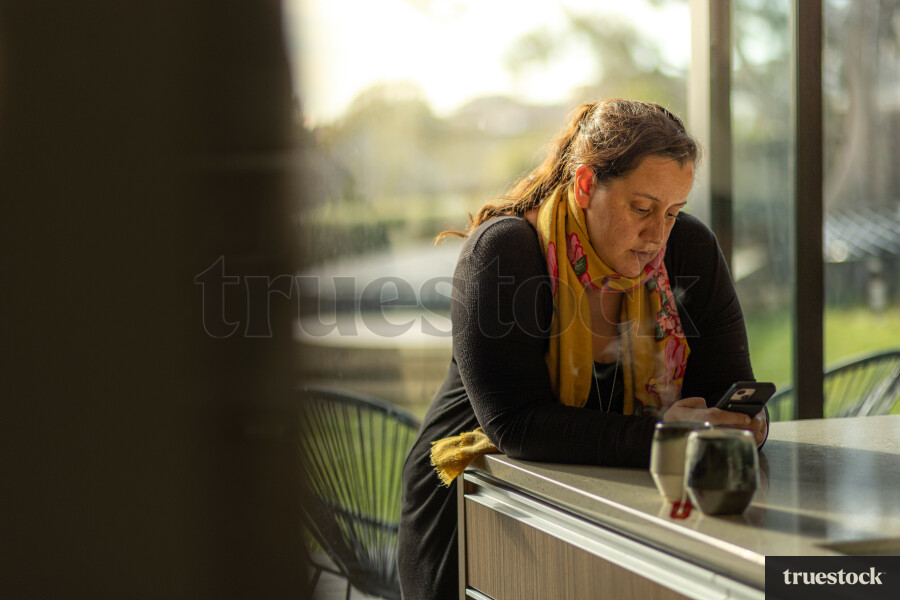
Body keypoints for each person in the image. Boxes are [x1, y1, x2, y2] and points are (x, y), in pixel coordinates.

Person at [397, 98, 768, 599]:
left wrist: (744, 423)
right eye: (641, 208)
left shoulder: (689, 249)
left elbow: (719, 395)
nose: (658, 234)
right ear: (586, 185)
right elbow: (516, 424)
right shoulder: (504, 253)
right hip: (479, 510)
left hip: (628, 514)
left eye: (673, 212)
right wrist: (667, 438)